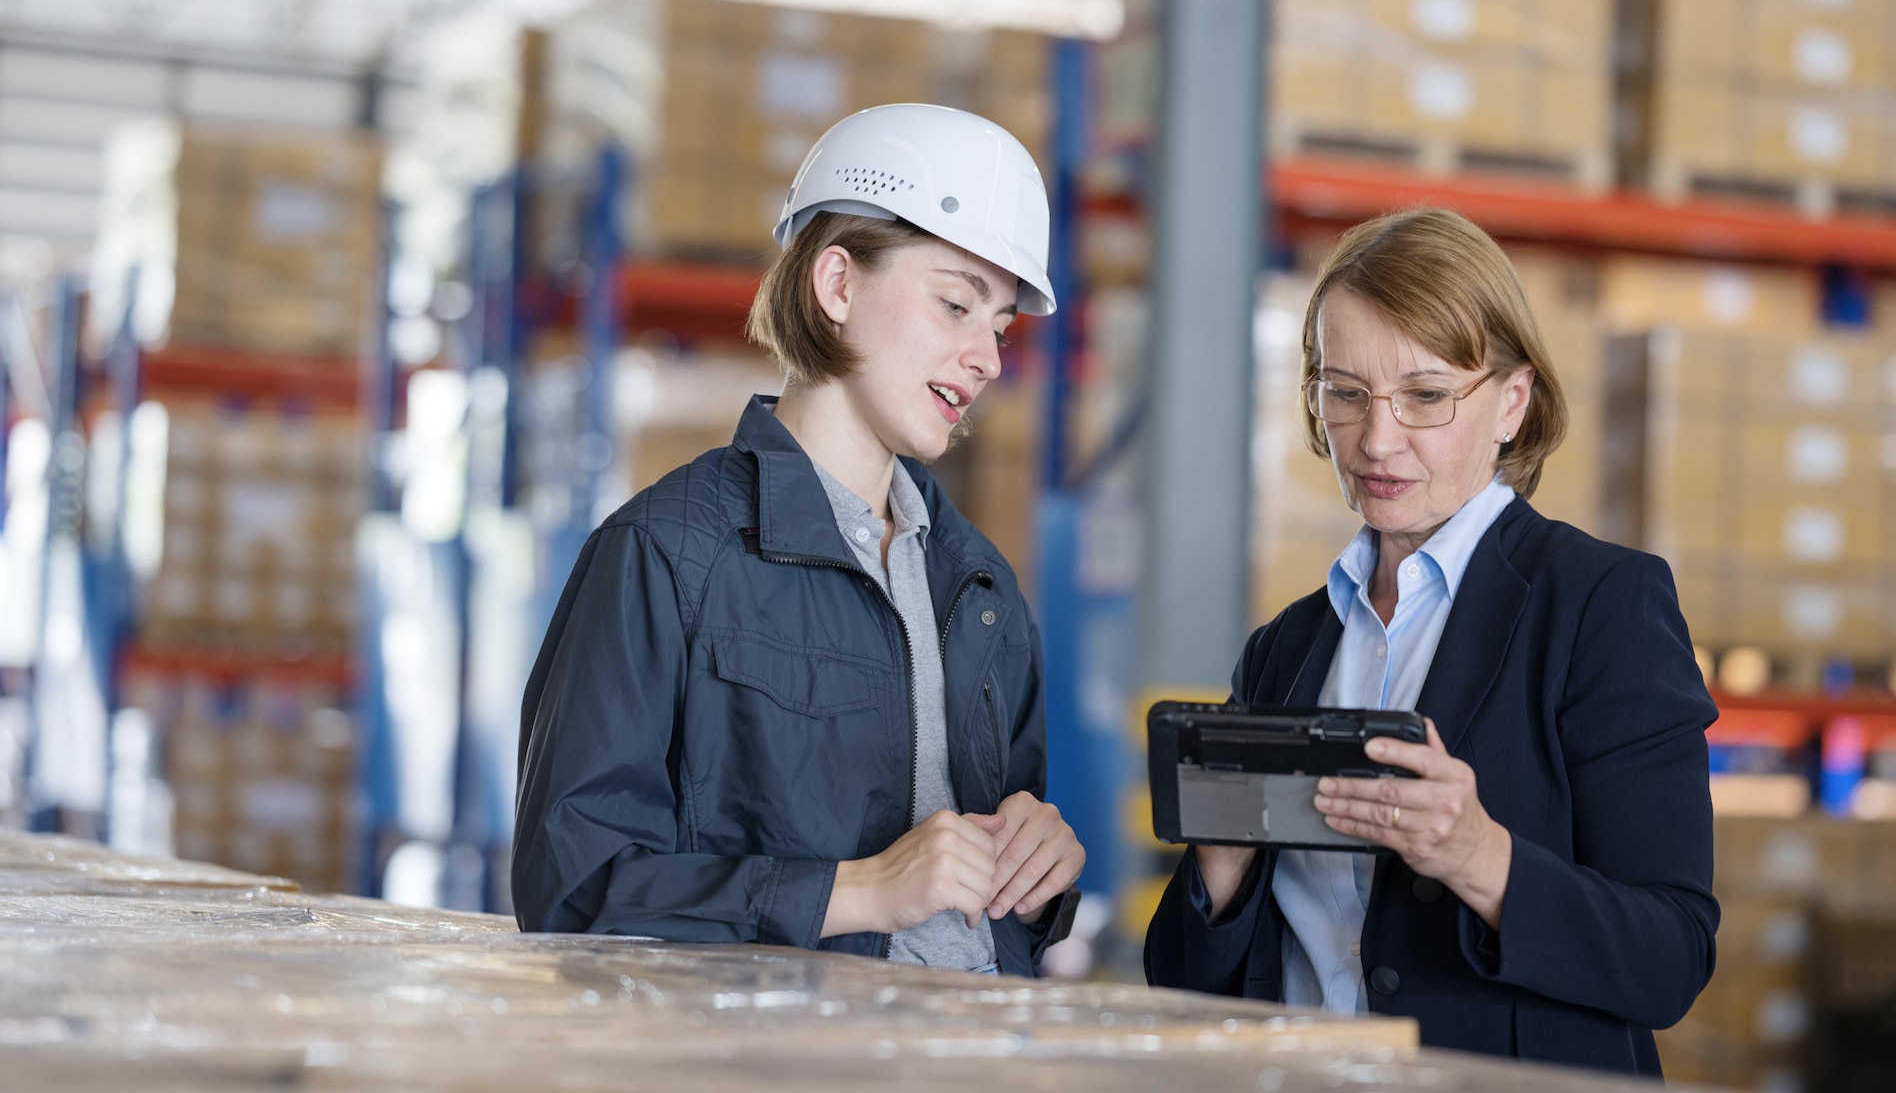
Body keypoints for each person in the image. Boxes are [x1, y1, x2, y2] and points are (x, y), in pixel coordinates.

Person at [513, 104, 1083, 975]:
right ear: (838, 285)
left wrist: (1037, 875)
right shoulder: (665, 556)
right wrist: (857, 891)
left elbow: (985, 902)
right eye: (955, 304)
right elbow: (573, 890)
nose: (987, 359)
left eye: (999, 327)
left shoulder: (979, 588)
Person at [1145, 207, 1717, 1075]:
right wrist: (1218, 873)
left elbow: (1671, 957)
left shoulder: (1600, 605)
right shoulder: (1286, 649)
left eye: (1425, 396)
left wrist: (1482, 859)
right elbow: (1191, 986)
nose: (1377, 440)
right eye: (1346, 394)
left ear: (1510, 404)